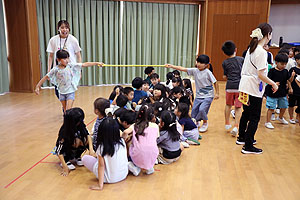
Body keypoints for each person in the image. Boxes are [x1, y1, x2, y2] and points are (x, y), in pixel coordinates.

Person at [236, 23, 278, 154]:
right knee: (254, 117)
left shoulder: (251, 49)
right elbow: (260, 74)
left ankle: (242, 137)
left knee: (246, 113)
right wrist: (273, 84)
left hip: (245, 85)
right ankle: (248, 145)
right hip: (253, 87)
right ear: (268, 35)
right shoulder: (261, 52)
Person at [35, 50, 104, 112]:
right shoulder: (55, 69)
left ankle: (69, 124)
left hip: (70, 91)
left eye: (68, 58)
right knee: (65, 110)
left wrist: (96, 63)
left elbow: (84, 64)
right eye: (64, 58)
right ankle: (67, 123)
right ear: (58, 59)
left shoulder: (70, 65)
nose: (67, 60)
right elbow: (45, 77)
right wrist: (38, 86)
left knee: (68, 110)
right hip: (61, 92)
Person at [165, 54, 219, 133]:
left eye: (201, 63)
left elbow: (215, 82)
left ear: (207, 65)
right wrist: (172, 66)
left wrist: (217, 93)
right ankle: (196, 121)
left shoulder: (208, 72)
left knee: (202, 109)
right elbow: (182, 69)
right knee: (193, 111)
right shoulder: (195, 70)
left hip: (208, 95)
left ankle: (205, 123)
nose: (199, 64)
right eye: (198, 62)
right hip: (199, 95)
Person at [82, 117, 128, 190]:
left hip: (109, 179)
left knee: (85, 158)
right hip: (123, 174)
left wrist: (100, 185)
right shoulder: (122, 141)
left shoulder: (101, 147)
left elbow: (101, 166)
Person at [47, 20, 82, 99]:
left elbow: (78, 55)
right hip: (58, 70)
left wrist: (79, 71)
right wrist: (49, 69)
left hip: (70, 70)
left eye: (66, 28)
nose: (64, 30)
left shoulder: (73, 40)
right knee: (58, 91)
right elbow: (50, 56)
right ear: (58, 29)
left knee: (69, 92)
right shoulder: (53, 40)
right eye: (62, 27)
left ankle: (66, 110)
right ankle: (66, 108)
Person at [55, 108, 95, 176]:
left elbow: (88, 135)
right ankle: (66, 160)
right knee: (76, 141)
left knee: (85, 139)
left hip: (75, 148)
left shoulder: (81, 125)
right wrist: (65, 168)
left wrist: (91, 149)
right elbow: (59, 151)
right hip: (66, 150)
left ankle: (77, 156)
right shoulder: (64, 132)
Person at [123, 105, 159, 176]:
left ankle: (134, 166)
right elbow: (155, 139)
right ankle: (149, 167)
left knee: (130, 143)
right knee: (147, 146)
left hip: (137, 154)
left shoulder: (135, 125)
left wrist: (124, 138)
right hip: (153, 154)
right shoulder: (155, 126)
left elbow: (125, 132)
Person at [221, 40, 244, 136]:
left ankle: (227, 123)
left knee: (228, 105)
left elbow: (224, 76)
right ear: (236, 50)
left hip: (229, 86)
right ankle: (236, 126)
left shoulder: (225, 62)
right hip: (240, 86)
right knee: (238, 107)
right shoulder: (241, 60)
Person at [264, 53, 290, 129]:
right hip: (272, 93)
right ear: (276, 63)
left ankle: (280, 117)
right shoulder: (272, 71)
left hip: (282, 92)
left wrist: (291, 77)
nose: (284, 66)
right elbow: (268, 80)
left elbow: (288, 80)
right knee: (271, 108)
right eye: (282, 64)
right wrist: (273, 83)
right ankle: (267, 122)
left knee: (284, 106)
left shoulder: (285, 71)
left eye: (285, 64)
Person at [288, 53, 300, 124]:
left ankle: (297, 118)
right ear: (297, 60)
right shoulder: (293, 69)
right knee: (291, 104)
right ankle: (291, 117)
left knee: (299, 105)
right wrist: (290, 88)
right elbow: (289, 80)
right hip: (294, 90)